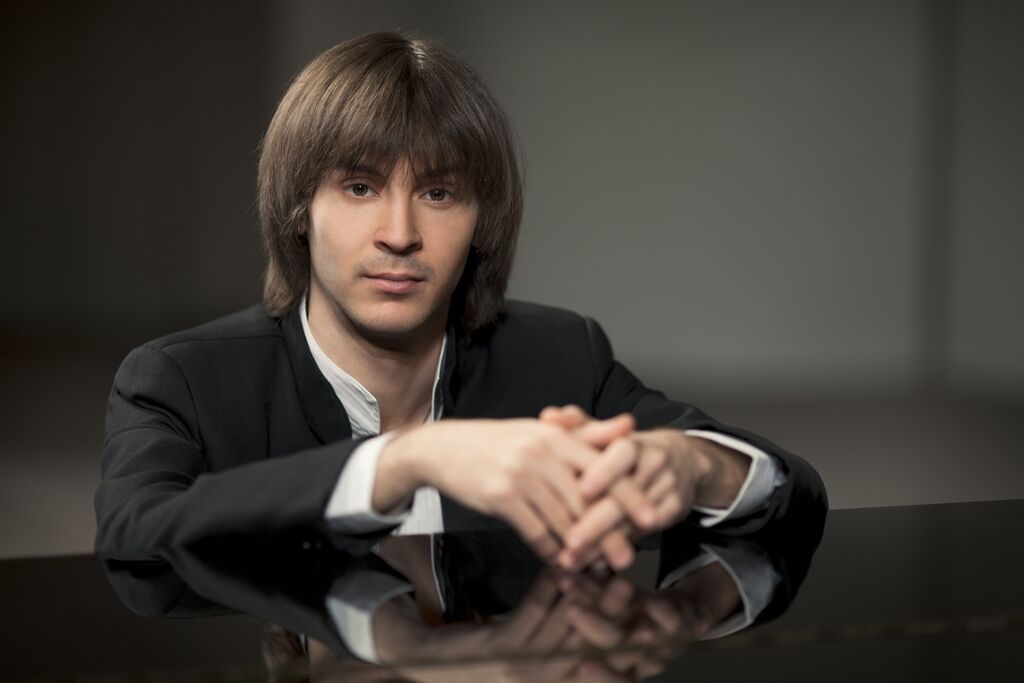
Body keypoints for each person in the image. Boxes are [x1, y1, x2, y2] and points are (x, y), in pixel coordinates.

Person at [95, 32, 826, 572]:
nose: (399, 233)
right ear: (298, 209)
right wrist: (403, 462)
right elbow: (133, 533)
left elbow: (795, 492)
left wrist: (694, 464)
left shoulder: (560, 356)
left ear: (482, 222)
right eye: (359, 187)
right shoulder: (182, 379)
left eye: (439, 193)